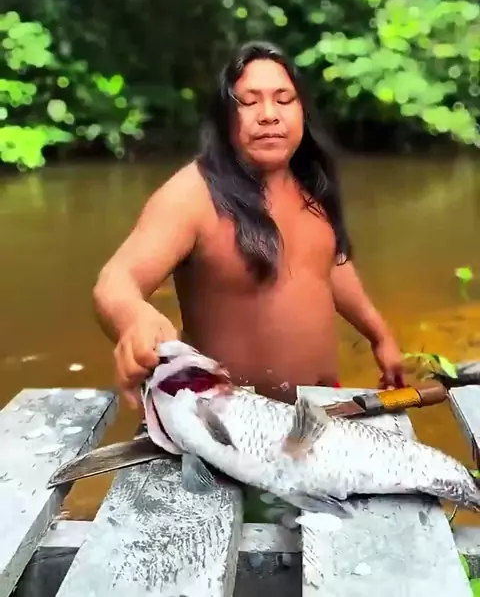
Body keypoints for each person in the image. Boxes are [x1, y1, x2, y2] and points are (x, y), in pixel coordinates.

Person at [93, 40, 405, 410]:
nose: (269, 114)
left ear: (302, 111)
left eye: (283, 99)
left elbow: (327, 265)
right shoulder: (192, 195)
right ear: (225, 117)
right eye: (249, 101)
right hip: (227, 418)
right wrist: (135, 319)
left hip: (321, 408)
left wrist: (379, 335)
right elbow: (116, 281)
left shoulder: (311, 182)